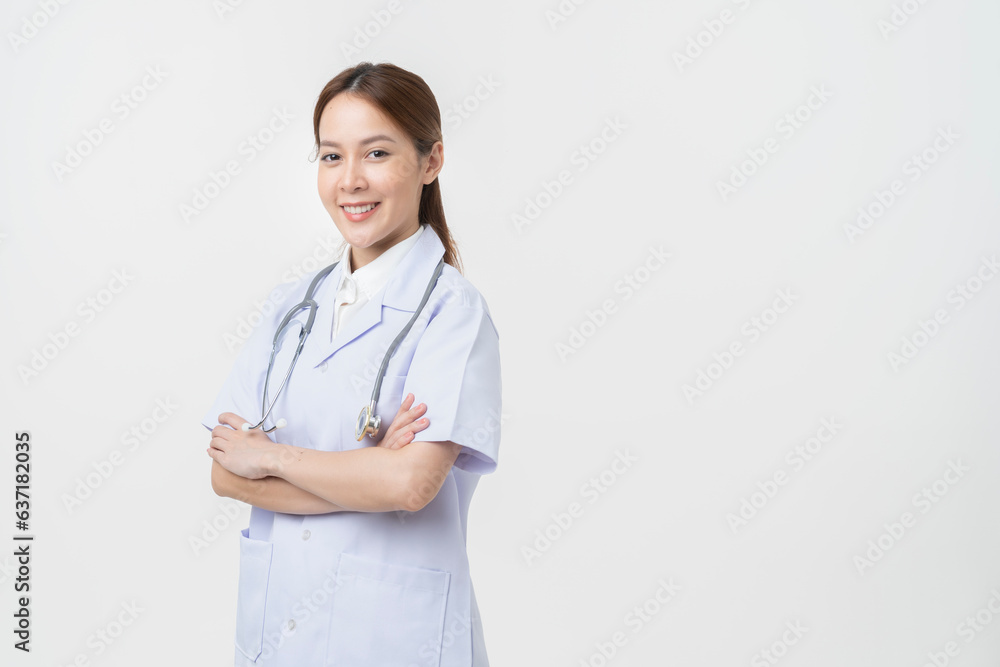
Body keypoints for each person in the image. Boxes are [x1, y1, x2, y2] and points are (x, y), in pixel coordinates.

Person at [202, 61, 502, 667]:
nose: (351, 181)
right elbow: (225, 475)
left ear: (431, 161)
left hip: (392, 637)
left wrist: (272, 458)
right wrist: (368, 471)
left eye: (377, 153)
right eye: (331, 156)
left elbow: (409, 485)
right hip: (281, 632)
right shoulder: (291, 307)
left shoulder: (452, 311)